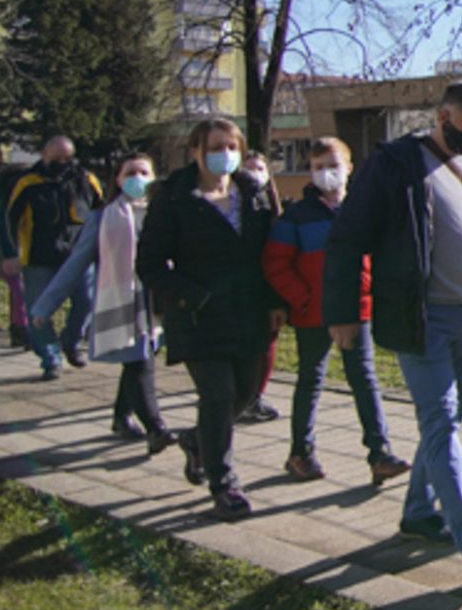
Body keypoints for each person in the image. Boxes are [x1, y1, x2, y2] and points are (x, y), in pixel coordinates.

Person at [324, 80, 462, 580]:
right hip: (419, 316)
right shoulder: (395, 164)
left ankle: (419, 513)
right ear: (443, 117)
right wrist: (339, 311)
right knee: (441, 422)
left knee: (449, 421)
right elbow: (345, 239)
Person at [136, 119, 285, 521]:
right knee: (217, 395)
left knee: (244, 394)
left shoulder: (252, 194)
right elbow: (149, 262)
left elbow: (271, 254)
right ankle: (225, 484)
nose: (226, 154)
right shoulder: (174, 198)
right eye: (217, 146)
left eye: (232, 145)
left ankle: (197, 441)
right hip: (198, 315)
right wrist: (188, 295)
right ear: (197, 151)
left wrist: (274, 300)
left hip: (249, 312)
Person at [262, 137, 411, 486]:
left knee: (365, 379)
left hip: (357, 311)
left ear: (349, 168)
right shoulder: (297, 217)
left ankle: (379, 452)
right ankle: (301, 452)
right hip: (313, 312)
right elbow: (276, 264)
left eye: (332, 165)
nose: (326, 173)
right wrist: (302, 297)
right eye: (317, 167)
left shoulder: (363, 211)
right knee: (311, 380)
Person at [30, 154, 174, 451]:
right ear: (118, 180)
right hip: (122, 301)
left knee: (136, 359)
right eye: (130, 173)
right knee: (140, 362)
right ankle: (156, 427)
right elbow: (74, 266)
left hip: (156, 300)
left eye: (144, 171)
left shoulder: (164, 213)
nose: (138, 178)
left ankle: (121, 417)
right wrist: (45, 306)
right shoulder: (102, 219)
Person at [7, 137, 105, 379]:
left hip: (79, 257)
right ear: (44, 154)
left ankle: (71, 341)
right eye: (56, 157)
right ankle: (50, 357)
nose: (62, 163)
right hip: (39, 257)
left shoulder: (85, 179)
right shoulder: (28, 183)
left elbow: (102, 213)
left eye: (66, 158)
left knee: (86, 302)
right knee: (38, 312)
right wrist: (12, 252)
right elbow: (9, 219)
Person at [235, 149, 283, 425]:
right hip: (243, 287)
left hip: (269, 286)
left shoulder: (274, 209)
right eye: (249, 168)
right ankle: (243, 396)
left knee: (267, 345)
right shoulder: (237, 207)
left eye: (260, 169)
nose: (255, 174)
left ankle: (254, 397)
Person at [0, 162, 32, 349]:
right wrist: (9, 254)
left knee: (18, 295)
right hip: (12, 255)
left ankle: (18, 329)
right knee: (22, 295)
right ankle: (24, 330)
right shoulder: (3, 204)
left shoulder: (5, 201)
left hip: (19, 253)